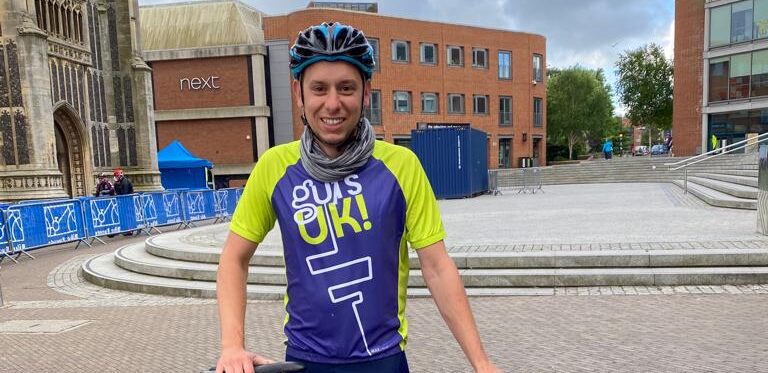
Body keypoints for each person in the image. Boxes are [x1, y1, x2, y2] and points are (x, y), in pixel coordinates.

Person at [216, 22, 500, 373]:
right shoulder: (275, 167)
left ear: (366, 92)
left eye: (346, 88)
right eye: (319, 88)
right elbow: (233, 259)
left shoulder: (401, 166)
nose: (332, 103)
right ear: (298, 92)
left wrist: (482, 363)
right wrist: (232, 346)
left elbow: (438, 267)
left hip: (383, 359)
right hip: (306, 360)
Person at [113, 168, 136, 236]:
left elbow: (124, 192)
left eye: (117, 176)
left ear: (120, 176)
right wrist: (116, 184)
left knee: (128, 215)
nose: (116, 178)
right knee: (123, 215)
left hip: (127, 201)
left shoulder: (125, 181)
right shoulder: (117, 182)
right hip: (122, 201)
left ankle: (130, 229)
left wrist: (117, 184)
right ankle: (126, 229)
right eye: (115, 176)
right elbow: (117, 191)